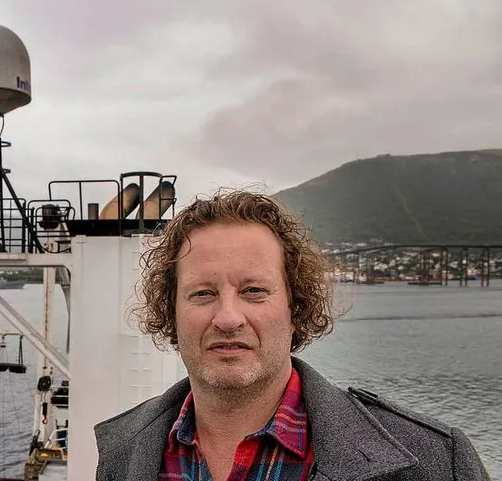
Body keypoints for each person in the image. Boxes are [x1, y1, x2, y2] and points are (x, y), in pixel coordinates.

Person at [93, 189, 490, 481]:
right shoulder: (122, 452)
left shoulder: (434, 462)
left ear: (295, 307)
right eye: (203, 293)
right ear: (171, 312)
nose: (228, 317)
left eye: (254, 291)